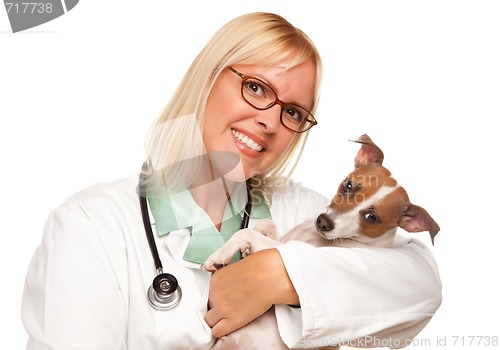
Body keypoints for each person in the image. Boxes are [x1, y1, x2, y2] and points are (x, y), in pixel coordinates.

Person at [21, 12, 442, 349]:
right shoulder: (90, 226)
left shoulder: (302, 214)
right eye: (256, 88)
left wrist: (280, 273)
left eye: (293, 112)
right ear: (207, 77)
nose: (271, 121)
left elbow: (420, 284)